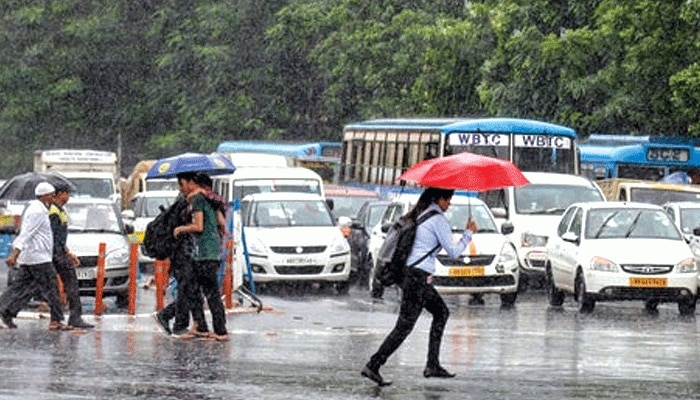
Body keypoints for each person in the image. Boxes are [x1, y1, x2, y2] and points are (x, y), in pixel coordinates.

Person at [361, 187, 477, 386]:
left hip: (412, 275)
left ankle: (432, 364)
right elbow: (454, 252)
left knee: (439, 313)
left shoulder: (421, 213)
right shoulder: (438, 219)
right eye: (448, 200)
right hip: (418, 278)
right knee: (405, 326)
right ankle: (374, 365)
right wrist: (468, 233)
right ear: (439, 199)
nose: (449, 204)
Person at [0, 182, 67, 330]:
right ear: (44, 196)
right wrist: (14, 254)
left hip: (32, 257)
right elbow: (27, 233)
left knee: (24, 288)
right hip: (38, 258)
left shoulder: (37, 208)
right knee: (52, 287)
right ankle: (56, 320)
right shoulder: (37, 211)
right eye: (52, 195)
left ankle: (6, 312)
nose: (54, 198)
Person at [173, 172, 228, 341]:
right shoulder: (211, 200)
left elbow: (198, 226)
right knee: (196, 289)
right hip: (210, 251)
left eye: (182, 184)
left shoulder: (198, 200)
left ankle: (219, 331)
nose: (181, 188)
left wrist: (181, 229)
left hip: (204, 252)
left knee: (210, 293)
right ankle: (202, 327)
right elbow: (222, 223)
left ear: (191, 183)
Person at [49, 183, 94, 329]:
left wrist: (68, 252)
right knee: (71, 284)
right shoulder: (54, 211)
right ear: (61, 194)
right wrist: (60, 254)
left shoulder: (59, 210)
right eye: (67, 194)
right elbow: (53, 236)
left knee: (41, 285)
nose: (68, 197)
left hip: (58, 252)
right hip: (56, 254)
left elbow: (59, 238)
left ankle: (7, 310)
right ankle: (74, 318)